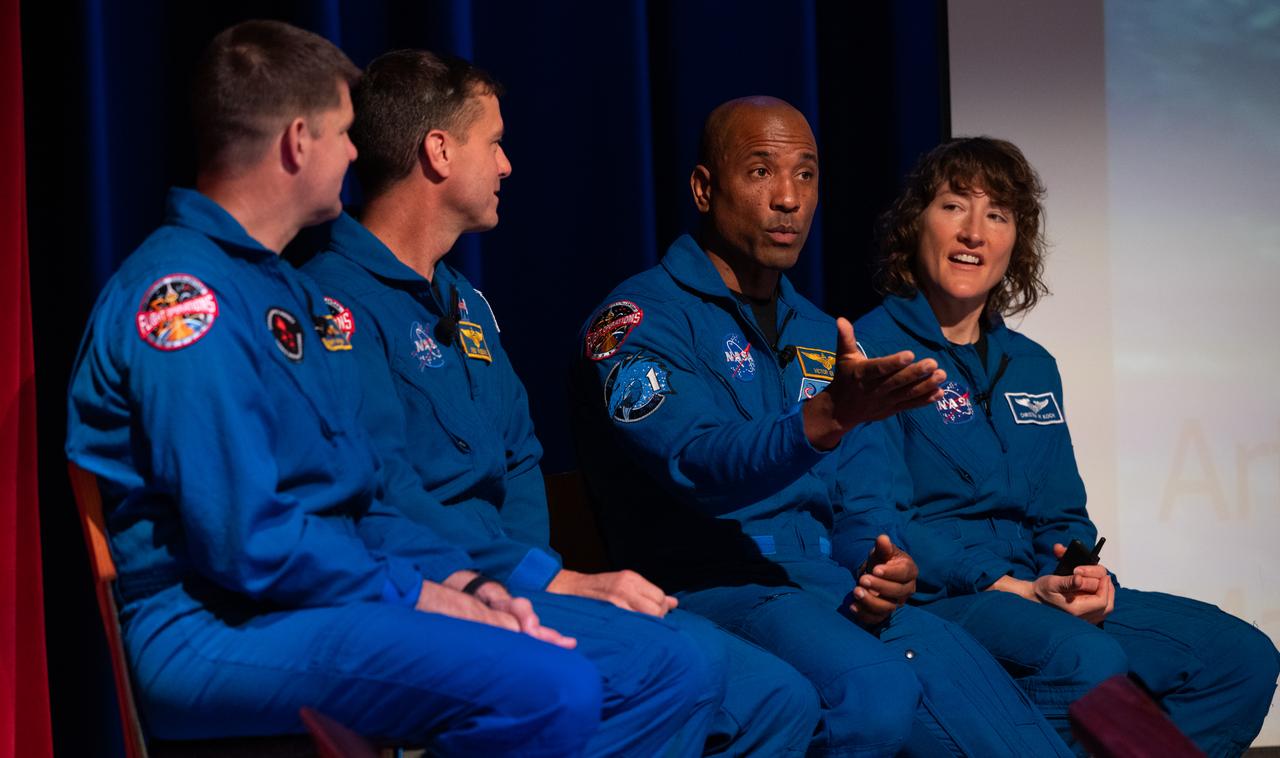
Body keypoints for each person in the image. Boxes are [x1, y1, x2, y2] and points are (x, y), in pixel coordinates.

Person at [65, 21, 707, 752]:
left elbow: (358, 495)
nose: (355, 152)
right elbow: (246, 541)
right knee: (549, 685)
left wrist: (462, 583)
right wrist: (418, 592)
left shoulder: (279, 291)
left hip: (300, 600)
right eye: (343, 133)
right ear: (296, 141)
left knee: (624, 667)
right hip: (210, 625)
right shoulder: (185, 300)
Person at [303, 49, 820, 757]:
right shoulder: (330, 303)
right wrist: (548, 579)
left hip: (515, 582)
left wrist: (539, 574)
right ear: (439, 151)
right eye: (495, 143)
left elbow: (519, 457)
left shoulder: (466, 304)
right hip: (419, 589)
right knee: (679, 664)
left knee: (776, 698)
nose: (508, 164)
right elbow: (380, 496)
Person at [570, 96, 1072, 757]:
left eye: (806, 175)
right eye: (761, 172)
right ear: (703, 187)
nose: (788, 198)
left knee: (1010, 714)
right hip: (712, 585)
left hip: (823, 586)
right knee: (875, 689)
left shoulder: (820, 330)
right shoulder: (640, 319)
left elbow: (859, 499)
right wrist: (824, 417)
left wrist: (878, 568)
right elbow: (696, 462)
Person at [851, 136, 1280, 755]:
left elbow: (1061, 510)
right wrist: (1010, 586)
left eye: (997, 214)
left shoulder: (1032, 366)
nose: (974, 232)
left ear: (1015, 244)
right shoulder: (872, 351)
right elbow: (883, 524)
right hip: (947, 596)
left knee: (1239, 657)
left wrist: (1080, 571)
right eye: (954, 207)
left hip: (1039, 588)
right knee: (1088, 661)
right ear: (916, 224)